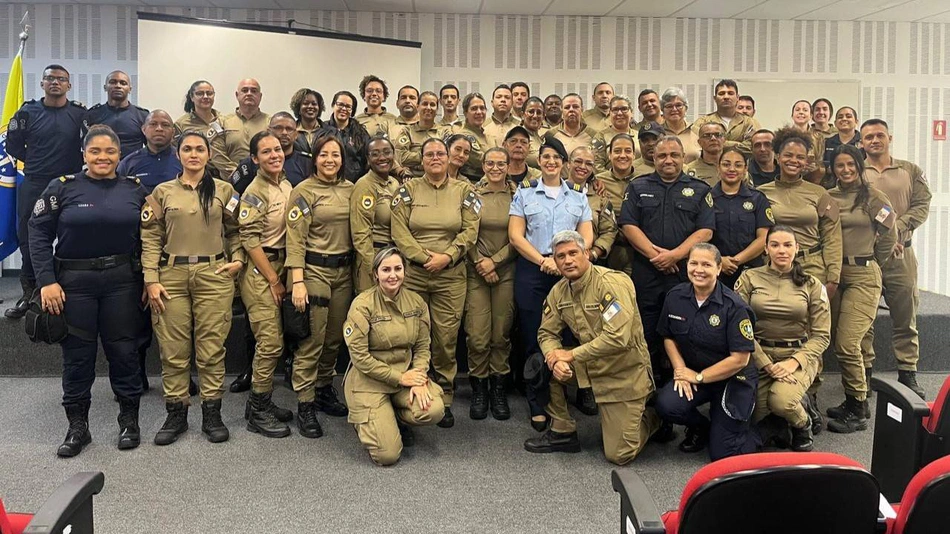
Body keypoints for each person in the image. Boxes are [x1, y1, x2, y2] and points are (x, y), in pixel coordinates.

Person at [29, 125, 146, 457]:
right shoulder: (63, 187)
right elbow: (37, 232)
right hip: (73, 284)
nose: (103, 157)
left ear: (119, 155)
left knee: (124, 352)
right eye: (95, 151)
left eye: (110, 151)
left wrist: (149, 278)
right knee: (77, 357)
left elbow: (152, 235)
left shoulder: (134, 189)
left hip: (123, 281)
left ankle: (129, 421)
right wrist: (46, 281)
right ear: (84, 154)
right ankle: (78, 427)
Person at [141, 131, 245, 446]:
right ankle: (177, 413)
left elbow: (237, 230)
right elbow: (150, 236)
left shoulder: (226, 190)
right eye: (187, 149)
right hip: (170, 274)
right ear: (179, 154)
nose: (194, 154)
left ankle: (212, 413)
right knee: (173, 349)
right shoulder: (162, 192)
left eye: (200, 149)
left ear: (209, 154)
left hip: (214, 274)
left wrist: (238, 259)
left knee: (212, 348)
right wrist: (151, 278)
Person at [525, 231, 660, 464]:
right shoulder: (559, 291)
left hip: (623, 374)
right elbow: (546, 333)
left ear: (586, 253)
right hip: (590, 367)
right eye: (560, 256)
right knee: (539, 364)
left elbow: (619, 337)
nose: (567, 260)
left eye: (573, 253)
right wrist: (555, 359)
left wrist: (569, 355)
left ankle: (654, 417)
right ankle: (562, 430)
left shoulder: (611, 283)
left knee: (619, 455)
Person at [619, 135, 715, 408]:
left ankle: (685, 394)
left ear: (683, 156)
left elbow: (706, 230)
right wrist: (656, 256)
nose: (668, 160)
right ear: (653, 158)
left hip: (685, 276)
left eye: (674, 154)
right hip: (646, 274)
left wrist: (675, 255)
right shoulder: (638, 187)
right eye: (662, 156)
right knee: (646, 335)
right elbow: (628, 225)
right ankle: (650, 396)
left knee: (685, 334)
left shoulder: (699, 189)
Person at [390, 137, 481, 428]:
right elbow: (399, 230)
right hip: (415, 274)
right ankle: (410, 391)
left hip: (451, 275)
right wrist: (421, 257)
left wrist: (448, 256)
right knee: (411, 334)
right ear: (422, 159)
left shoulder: (465, 190)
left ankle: (445, 395)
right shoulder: (408, 190)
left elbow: (470, 230)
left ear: (448, 157)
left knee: (445, 338)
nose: (435, 158)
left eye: (440, 153)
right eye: (429, 154)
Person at [757, 128, 841, 427]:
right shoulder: (762, 192)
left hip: (812, 269)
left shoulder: (819, 194)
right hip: (775, 268)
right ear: (777, 157)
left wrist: (833, 276)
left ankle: (809, 393)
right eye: (788, 155)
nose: (794, 160)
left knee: (810, 332)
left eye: (800, 157)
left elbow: (832, 236)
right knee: (778, 325)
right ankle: (777, 387)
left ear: (808, 162)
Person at [509, 137, 593, 430]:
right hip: (535, 269)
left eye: (557, 158)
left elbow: (587, 237)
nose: (551, 162)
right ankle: (537, 400)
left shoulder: (578, 197)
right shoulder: (526, 192)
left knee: (571, 334)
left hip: (569, 271)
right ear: (539, 161)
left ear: (564, 163)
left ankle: (568, 396)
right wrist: (543, 261)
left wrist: (565, 261)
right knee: (534, 336)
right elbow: (516, 236)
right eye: (546, 157)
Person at [655, 243, 760, 460]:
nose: (699, 270)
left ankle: (771, 429)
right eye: (693, 263)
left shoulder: (735, 306)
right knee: (667, 405)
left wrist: (699, 377)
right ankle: (703, 427)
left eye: (706, 264)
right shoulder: (675, 296)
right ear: (686, 266)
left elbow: (740, 359)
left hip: (732, 378)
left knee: (724, 455)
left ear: (719, 268)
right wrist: (680, 369)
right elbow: (668, 337)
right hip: (694, 371)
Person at [342, 247, 445, 466]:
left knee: (434, 410)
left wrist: (418, 377)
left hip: (405, 377)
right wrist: (400, 378)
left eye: (398, 268)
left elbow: (422, 346)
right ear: (375, 274)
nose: (392, 275)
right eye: (386, 269)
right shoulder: (362, 305)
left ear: (405, 272)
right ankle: (370, 419)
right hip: (368, 381)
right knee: (387, 456)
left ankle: (392, 416)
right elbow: (360, 358)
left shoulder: (416, 302)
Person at [735, 226, 831, 452]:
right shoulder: (749, 278)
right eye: (775, 245)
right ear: (766, 249)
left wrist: (793, 362)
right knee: (751, 412)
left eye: (788, 245)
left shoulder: (812, 284)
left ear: (797, 248)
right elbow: (741, 328)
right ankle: (787, 416)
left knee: (781, 402)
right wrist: (766, 364)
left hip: (796, 356)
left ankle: (802, 422)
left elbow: (822, 336)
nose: (782, 250)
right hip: (758, 356)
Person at [285, 136, 355, 436]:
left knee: (335, 338)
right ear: (314, 159)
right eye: (324, 154)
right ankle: (305, 400)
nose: (330, 160)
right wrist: (297, 281)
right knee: (312, 339)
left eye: (335, 155)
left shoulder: (352, 189)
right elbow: (295, 238)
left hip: (344, 271)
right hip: (314, 271)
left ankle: (324, 387)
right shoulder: (304, 191)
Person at [5, 64, 86, 319]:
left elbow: (89, 144)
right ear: (42, 83)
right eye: (50, 78)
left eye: (61, 79)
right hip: (35, 183)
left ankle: (67, 290)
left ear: (68, 86)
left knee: (71, 237)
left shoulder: (79, 113)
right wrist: (38, 161)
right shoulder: (27, 112)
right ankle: (31, 294)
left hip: (69, 185)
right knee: (28, 240)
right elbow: (15, 147)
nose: (55, 82)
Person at [825, 145, 897, 433]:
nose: (845, 170)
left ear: (859, 165)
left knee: (847, 343)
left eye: (850, 165)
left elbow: (890, 233)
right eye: (839, 165)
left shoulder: (874, 198)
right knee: (846, 338)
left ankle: (858, 406)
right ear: (833, 169)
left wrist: (874, 261)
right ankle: (856, 395)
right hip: (833, 274)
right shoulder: (828, 198)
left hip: (864, 275)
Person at [860, 118, 932, 399]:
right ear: (861, 142)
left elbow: (922, 205)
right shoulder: (856, 171)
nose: (874, 140)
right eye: (868, 137)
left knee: (905, 316)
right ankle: (863, 374)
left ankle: (907, 373)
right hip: (867, 255)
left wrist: (896, 231)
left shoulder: (909, 170)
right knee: (864, 318)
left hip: (902, 254)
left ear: (890, 137)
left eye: (879, 135)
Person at [239, 131, 295, 438]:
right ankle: (257, 410)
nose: (274, 154)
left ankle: (261, 401)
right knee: (270, 342)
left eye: (277, 149)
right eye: (266, 151)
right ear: (254, 159)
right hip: (263, 272)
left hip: (283, 265)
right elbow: (249, 239)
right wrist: (273, 279)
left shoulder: (284, 184)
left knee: (277, 341)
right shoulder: (255, 191)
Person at [464, 148, 517, 421]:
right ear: (483, 165)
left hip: (506, 270)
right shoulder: (472, 194)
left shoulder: (518, 195)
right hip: (476, 272)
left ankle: (498, 388)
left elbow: (521, 237)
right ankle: (479, 388)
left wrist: (494, 263)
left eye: (501, 163)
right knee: (477, 334)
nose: (495, 168)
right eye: (490, 163)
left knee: (501, 333)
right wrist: (481, 264)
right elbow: (465, 232)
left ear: (509, 166)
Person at [710, 147, 773, 290]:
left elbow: (763, 238)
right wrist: (719, 261)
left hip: (750, 270)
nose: (732, 169)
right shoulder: (706, 198)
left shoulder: (758, 198)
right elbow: (701, 235)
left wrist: (736, 261)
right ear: (718, 168)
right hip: (714, 271)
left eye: (738, 165)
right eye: (726, 164)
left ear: (745, 169)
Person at [351, 136, 400, 293]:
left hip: (393, 257)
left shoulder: (394, 183)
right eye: (375, 154)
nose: (382, 158)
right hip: (373, 258)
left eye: (387, 152)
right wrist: (374, 267)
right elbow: (360, 235)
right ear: (368, 158)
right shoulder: (365, 186)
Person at [229, 112, 314, 193]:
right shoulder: (250, 163)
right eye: (278, 128)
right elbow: (234, 194)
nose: (284, 132)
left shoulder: (307, 163)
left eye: (289, 129)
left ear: (296, 135)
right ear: (269, 130)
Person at [594, 134, 637, 276]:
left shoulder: (644, 180)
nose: (623, 156)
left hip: (638, 252)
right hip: (608, 252)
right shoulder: (597, 181)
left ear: (634, 154)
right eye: (617, 151)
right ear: (609, 154)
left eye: (628, 151)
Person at [569, 146, 617, 266]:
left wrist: (594, 253)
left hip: (589, 262)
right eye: (578, 161)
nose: (583, 167)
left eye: (589, 164)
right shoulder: (555, 191)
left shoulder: (600, 197)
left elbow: (609, 231)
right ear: (568, 164)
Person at [82, 70, 147, 158]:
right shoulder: (92, 115)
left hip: (133, 168)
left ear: (130, 89)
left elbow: (151, 147)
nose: (118, 86)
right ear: (105, 87)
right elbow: (86, 146)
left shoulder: (143, 116)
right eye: (113, 82)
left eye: (123, 83)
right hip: (102, 166)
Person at [213, 79, 271, 177]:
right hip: (231, 183)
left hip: (264, 180)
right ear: (237, 95)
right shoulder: (221, 122)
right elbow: (217, 153)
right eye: (244, 90)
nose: (249, 94)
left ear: (260, 96)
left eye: (254, 91)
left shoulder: (271, 122)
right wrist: (238, 174)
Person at [117, 110, 181, 193]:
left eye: (165, 125)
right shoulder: (128, 163)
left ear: (173, 132)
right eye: (153, 124)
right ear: (143, 129)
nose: (159, 129)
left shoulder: (183, 160)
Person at [315, 91, 371, 182]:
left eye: (348, 107)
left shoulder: (360, 132)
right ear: (333, 106)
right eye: (340, 105)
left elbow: (367, 160)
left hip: (355, 184)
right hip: (326, 182)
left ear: (352, 111)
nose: (344, 109)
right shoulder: (322, 130)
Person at [174, 80, 228, 173]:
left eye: (209, 93)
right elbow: (178, 154)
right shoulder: (181, 124)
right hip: (197, 173)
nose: (205, 97)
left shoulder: (225, 120)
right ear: (192, 97)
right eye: (200, 94)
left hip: (226, 174)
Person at [692, 80, 758, 156]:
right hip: (709, 165)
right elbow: (696, 145)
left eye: (730, 93)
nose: (726, 97)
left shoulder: (750, 122)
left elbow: (753, 146)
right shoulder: (702, 122)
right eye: (721, 93)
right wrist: (738, 144)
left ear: (737, 98)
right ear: (715, 98)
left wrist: (717, 144)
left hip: (740, 165)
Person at [394, 90, 451, 179]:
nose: (428, 108)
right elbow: (401, 157)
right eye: (424, 104)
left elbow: (447, 158)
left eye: (432, 105)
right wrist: (426, 155)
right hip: (412, 179)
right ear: (417, 107)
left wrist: (415, 157)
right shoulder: (407, 131)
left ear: (437, 109)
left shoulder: (445, 132)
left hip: (438, 178)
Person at [591, 95, 639, 175]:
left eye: (624, 109)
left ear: (631, 112)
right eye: (615, 110)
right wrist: (614, 179)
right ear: (610, 113)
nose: (619, 113)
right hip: (608, 183)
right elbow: (596, 165)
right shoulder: (601, 137)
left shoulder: (639, 136)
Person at [789, 100, 826, 183]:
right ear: (792, 115)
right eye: (797, 110)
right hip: (789, 177)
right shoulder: (784, 135)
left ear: (811, 116)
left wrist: (815, 167)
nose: (801, 113)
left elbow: (821, 160)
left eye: (805, 110)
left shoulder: (818, 137)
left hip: (812, 179)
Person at [456, 93, 491, 182]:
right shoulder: (463, 136)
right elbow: (481, 160)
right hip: (473, 184)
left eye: (482, 108)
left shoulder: (488, 136)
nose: (479, 112)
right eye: (474, 108)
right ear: (465, 113)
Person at [660, 87, 700, 163]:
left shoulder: (697, 132)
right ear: (662, 110)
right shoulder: (657, 132)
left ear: (686, 108)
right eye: (669, 106)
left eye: (678, 105)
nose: (674, 109)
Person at [822, 107, 860, 185]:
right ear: (835, 123)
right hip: (831, 187)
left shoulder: (863, 141)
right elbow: (822, 165)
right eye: (840, 117)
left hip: (858, 187)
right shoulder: (827, 142)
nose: (844, 119)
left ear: (856, 122)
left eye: (848, 116)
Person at [684, 122, 726, 186]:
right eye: (707, 135)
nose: (713, 138)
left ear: (724, 140)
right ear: (699, 142)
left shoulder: (735, 168)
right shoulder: (690, 170)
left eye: (718, 135)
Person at [289, 88, 323, 156]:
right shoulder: (290, 131)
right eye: (306, 103)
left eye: (314, 104)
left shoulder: (330, 132)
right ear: (298, 107)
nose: (310, 107)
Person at [519, 97, 546, 169]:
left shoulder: (541, 138)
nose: (535, 116)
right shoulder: (518, 137)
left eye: (539, 112)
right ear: (522, 115)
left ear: (543, 117)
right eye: (531, 112)